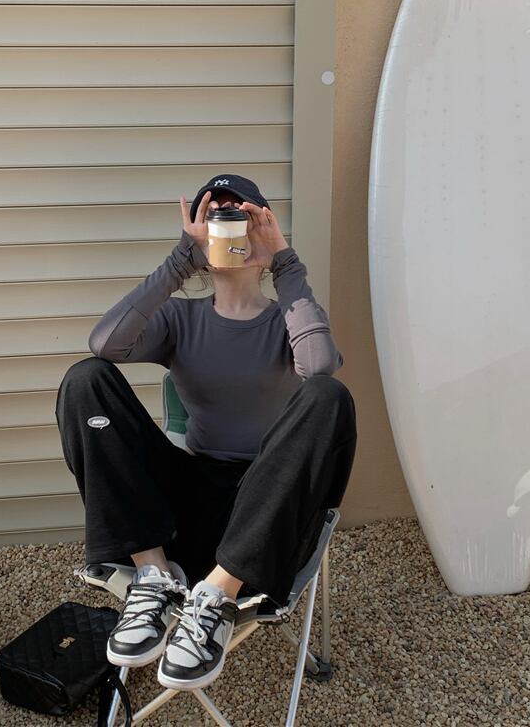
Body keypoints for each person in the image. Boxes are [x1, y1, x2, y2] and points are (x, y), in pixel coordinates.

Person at [55, 173, 357, 692]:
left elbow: (319, 367)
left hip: (266, 504)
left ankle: (217, 594)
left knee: (328, 398)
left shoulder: (289, 318)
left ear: (262, 225)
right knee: (86, 380)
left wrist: (282, 261)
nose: (228, 226)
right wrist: (181, 260)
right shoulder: (180, 318)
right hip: (187, 499)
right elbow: (105, 344)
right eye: (215, 217)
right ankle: (154, 577)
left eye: (240, 216)